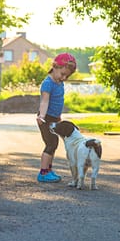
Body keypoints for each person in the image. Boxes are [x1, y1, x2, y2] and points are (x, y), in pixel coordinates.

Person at [36, 52, 77, 182]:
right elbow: (44, 101)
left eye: (67, 76)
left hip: (54, 118)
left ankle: (48, 170)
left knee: (54, 143)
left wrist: (58, 117)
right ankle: (43, 173)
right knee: (51, 144)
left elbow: (58, 101)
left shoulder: (59, 83)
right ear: (55, 67)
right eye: (62, 74)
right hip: (45, 118)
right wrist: (42, 116)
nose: (64, 78)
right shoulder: (48, 83)